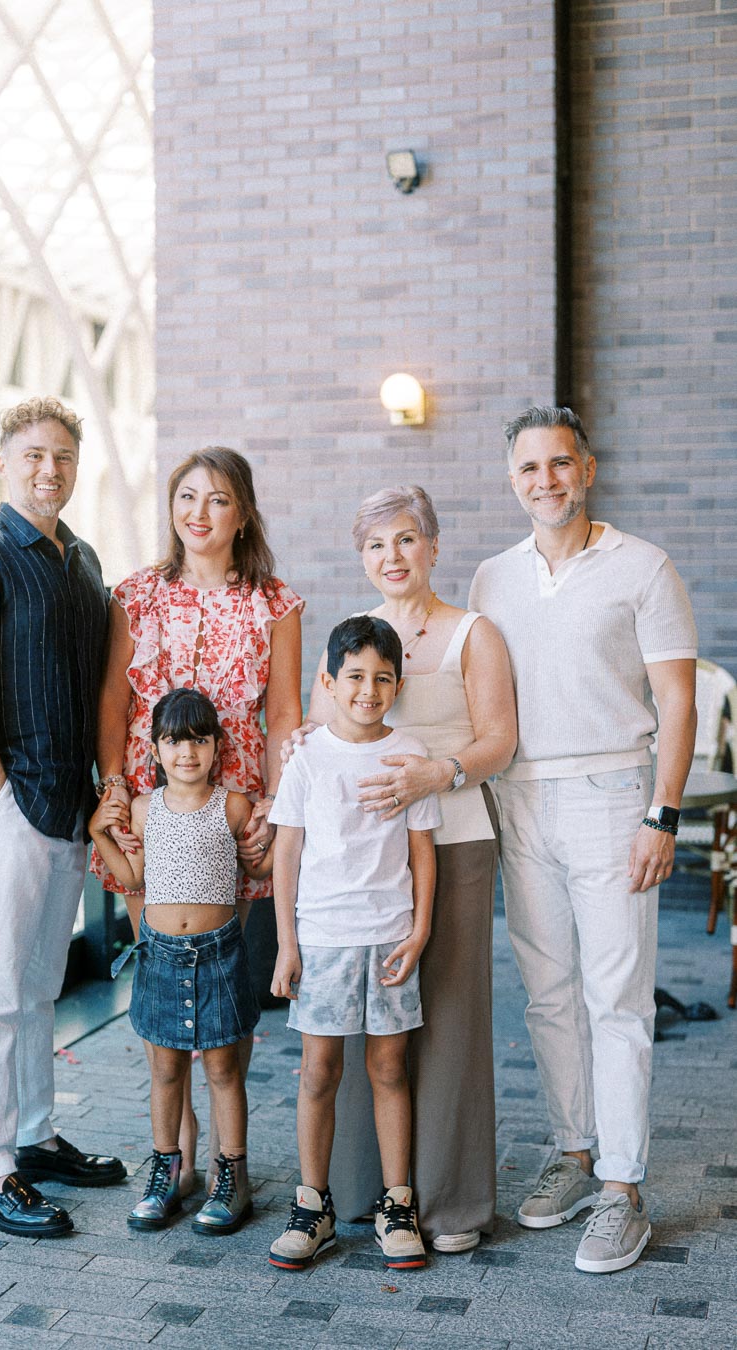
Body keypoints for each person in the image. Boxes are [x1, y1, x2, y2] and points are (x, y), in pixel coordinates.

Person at [469, 405, 697, 1274]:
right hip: (519, 798)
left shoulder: (644, 566)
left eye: (560, 463)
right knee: (548, 995)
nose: (546, 480)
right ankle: (574, 1153)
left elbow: (677, 699)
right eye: (530, 468)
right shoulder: (492, 579)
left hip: (612, 796)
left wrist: (662, 813)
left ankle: (622, 1189)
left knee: (618, 999)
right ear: (512, 480)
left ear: (588, 469)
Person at [287, 486, 517, 1252]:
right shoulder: (355, 639)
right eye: (377, 544)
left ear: (433, 546)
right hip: (362, 863)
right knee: (362, 1034)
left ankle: (448, 1203)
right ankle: (361, 1192)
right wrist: (298, 741)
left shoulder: (472, 633)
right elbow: (322, 730)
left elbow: (500, 741)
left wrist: (436, 774)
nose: (393, 556)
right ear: (363, 557)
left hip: (452, 838)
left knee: (446, 1021)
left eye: (407, 539)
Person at [0, 395, 125, 1240]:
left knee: (40, 985)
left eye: (64, 456)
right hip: (2, 806)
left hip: (67, 804)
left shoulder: (81, 560)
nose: (50, 469)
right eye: (34, 454)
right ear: (3, 460)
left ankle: (33, 1138)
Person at [93, 446, 303, 1193]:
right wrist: (114, 788)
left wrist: (277, 803)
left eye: (217, 499)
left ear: (242, 512)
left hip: (234, 815)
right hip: (148, 809)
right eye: (187, 496)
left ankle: (227, 1163)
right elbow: (114, 702)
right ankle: (173, 1161)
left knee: (221, 990)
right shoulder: (136, 594)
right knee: (160, 980)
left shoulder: (275, 603)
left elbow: (284, 712)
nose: (199, 513)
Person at [268, 616, 442, 1272]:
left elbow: (422, 852)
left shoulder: (409, 753)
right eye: (356, 677)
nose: (369, 690)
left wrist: (420, 930)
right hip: (323, 939)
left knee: (389, 1069)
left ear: (399, 685)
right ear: (329, 682)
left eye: (383, 678)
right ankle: (312, 1207)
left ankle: (397, 1207)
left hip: (391, 937)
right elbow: (288, 852)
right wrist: (287, 944)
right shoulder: (308, 757)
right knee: (319, 1071)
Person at [90, 688, 272, 1235]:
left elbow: (259, 872)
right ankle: (166, 1173)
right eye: (173, 741)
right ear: (155, 749)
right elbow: (131, 878)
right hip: (161, 958)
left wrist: (272, 836)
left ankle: (232, 1176)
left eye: (198, 741)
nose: (186, 752)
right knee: (166, 1070)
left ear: (217, 746)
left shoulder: (233, 805)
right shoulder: (144, 810)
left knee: (222, 1069)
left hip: (219, 955)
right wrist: (98, 831)